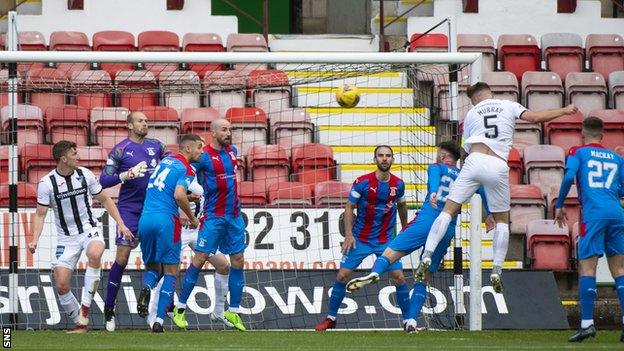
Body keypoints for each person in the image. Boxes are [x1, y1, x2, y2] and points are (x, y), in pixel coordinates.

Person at [414, 82, 578, 293]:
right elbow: (535, 118)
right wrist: (563, 110)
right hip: (498, 164)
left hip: (474, 160)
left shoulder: (471, 115)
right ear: (490, 93)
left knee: (447, 211)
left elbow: (465, 151)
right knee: (502, 221)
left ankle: (427, 254)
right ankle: (496, 269)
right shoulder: (508, 105)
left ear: (474, 99)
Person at [346, 142, 491, 332]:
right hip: (448, 226)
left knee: (390, 253)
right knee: (423, 278)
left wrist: (432, 192)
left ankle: (375, 272)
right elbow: (482, 191)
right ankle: (412, 321)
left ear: (442, 156)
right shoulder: (466, 176)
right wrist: (490, 214)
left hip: (428, 219)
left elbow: (434, 180)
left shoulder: (436, 167)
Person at [28, 140, 133, 333]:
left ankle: (84, 311)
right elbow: (41, 215)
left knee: (95, 253)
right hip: (66, 239)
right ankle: (80, 322)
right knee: (61, 285)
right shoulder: (46, 184)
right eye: (74, 154)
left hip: (89, 230)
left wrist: (120, 223)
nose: (78, 157)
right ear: (63, 158)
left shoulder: (85, 174)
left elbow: (105, 199)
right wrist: (35, 239)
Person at [315, 145, 409, 331]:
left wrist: (405, 230)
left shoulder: (399, 185)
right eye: (380, 156)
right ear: (374, 160)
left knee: (398, 277)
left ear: (393, 160)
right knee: (342, 275)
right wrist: (349, 235)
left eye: (388, 156)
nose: (384, 159)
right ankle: (331, 318)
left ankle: (408, 321)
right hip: (361, 239)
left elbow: (402, 206)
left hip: (385, 240)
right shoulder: (362, 182)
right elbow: (349, 207)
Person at [172, 119, 247, 332]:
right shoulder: (202, 158)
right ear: (213, 133)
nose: (228, 132)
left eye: (230, 129)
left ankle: (233, 310)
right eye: (224, 129)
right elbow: (183, 181)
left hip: (234, 216)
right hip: (213, 217)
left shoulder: (232, 151)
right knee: (200, 258)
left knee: (238, 260)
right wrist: (182, 203)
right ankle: (180, 308)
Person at [554, 117, 624, 342]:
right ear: (602, 136)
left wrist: (559, 204)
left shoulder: (578, 151)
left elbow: (567, 177)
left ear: (583, 134)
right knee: (620, 270)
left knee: (587, 267)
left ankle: (587, 324)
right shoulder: (616, 157)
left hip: (592, 214)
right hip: (616, 212)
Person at [100, 111, 168, 331]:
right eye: (140, 120)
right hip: (129, 210)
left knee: (155, 261)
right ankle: (109, 309)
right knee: (122, 256)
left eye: (147, 120)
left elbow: (171, 170)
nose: (145, 123)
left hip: (154, 209)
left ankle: (150, 308)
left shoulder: (157, 146)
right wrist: (126, 175)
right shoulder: (120, 149)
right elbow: (104, 180)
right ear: (129, 125)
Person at [147, 164, 234, 330]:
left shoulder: (209, 177)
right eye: (200, 150)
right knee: (169, 272)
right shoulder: (184, 174)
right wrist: (179, 212)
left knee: (223, 266)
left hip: (199, 230)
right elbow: (168, 195)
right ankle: (154, 317)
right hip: (179, 230)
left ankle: (218, 312)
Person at [135, 134, 204, 333]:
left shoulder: (165, 161)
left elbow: (165, 189)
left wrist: (187, 196)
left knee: (153, 268)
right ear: (188, 149)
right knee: (171, 272)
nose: (201, 152)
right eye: (199, 147)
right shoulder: (187, 168)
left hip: (146, 219)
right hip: (167, 221)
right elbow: (178, 194)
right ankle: (158, 321)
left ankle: (147, 287)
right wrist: (192, 218)